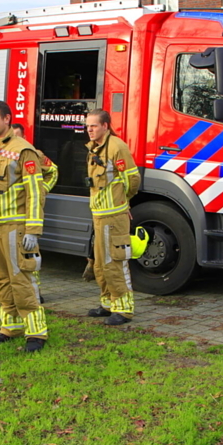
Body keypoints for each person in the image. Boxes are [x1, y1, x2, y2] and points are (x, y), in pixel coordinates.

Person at [0, 102, 48, 352]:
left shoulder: (24, 150)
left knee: (21, 279)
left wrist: (33, 229)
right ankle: (10, 327)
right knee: (2, 279)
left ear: (7, 119)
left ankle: (36, 332)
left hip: (15, 226)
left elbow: (34, 192)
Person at [85, 109, 141, 326]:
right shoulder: (93, 149)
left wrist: (122, 202)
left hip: (114, 216)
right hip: (99, 216)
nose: (90, 130)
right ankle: (108, 303)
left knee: (115, 263)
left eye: (94, 126)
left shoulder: (117, 147)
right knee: (100, 264)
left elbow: (132, 180)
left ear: (105, 126)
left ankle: (124, 309)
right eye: (88, 126)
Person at [11, 123, 58, 297]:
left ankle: (34, 293)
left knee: (29, 255)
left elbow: (53, 171)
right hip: (9, 214)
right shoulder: (4, 154)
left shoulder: (34, 154)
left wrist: (42, 189)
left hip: (27, 213)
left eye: (17, 135)